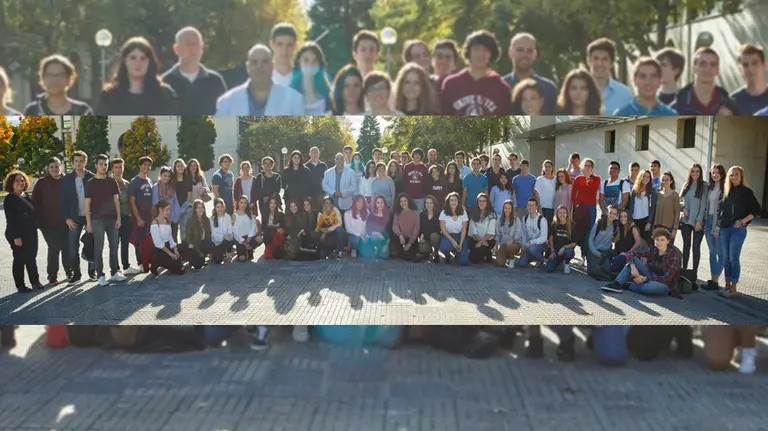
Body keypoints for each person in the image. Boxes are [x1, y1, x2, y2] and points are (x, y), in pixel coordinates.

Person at [95, 37, 178, 114]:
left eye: (143, 58)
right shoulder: (109, 96)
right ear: (124, 60)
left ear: (150, 62)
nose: (138, 63)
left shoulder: (165, 94)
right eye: (133, 58)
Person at [215, 44, 304, 115]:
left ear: (272, 66)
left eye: (264, 62)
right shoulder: (227, 102)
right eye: (254, 62)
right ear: (247, 67)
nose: (259, 67)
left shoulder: (294, 100)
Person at [441, 30, 511, 115]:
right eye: (476, 49)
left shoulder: (502, 89)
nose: (481, 54)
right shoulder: (451, 84)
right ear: (468, 52)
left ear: (492, 54)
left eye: (486, 50)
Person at [161, 27, 227, 115]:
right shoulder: (164, 82)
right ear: (176, 49)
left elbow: (225, 114)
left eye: (196, 44)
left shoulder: (215, 81)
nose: (193, 50)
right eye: (188, 45)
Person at [718, 166, 761, 298]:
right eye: (731, 175)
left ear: (741, 176)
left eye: (736, 174)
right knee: (726, 258)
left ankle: (734, 287)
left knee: (733, 258)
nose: (734, 177)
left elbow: (756, 210)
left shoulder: (747, 192)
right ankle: (727, 284)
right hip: (724, 229)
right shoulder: (726, 191)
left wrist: (742, 222)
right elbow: (721, 211)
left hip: (738, 230)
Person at [601, 228, 682, 298]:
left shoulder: (673, 256)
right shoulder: (653, 249)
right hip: (649, 276)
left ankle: (629, 285)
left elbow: (667, 278)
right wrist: (632, 266)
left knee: (650, 287)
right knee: (632, 260)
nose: (659, 242)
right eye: (657, 240)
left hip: (664, 284)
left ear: (668, 241)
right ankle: (616, 284)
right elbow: (631, 254)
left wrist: (645, 279)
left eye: (662, 240)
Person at [84, 154, 126, 287]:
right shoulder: (90, 183)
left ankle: (114, 273)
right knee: (99, 248)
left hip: (112, 219)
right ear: (96, 166)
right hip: (97, 220)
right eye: (101, 164)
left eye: (106, 164)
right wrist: (89, 223)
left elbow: (116, 201)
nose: (103, 167)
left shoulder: (112, 181)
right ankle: (100, 275)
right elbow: (87, 205)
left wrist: (119, 218)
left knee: (114, 246)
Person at [32, 157, 71, 285]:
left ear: (61, 166)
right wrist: (37, 221)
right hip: (47, 223)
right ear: (48, 168)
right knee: (54, 247)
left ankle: (69, 271)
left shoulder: (68, 180)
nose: (55, 169)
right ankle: (52, 275)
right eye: (52, 167)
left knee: (66, 247)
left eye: (57, 166)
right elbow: (34, 202)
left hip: (66, 222)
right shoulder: (42, 183)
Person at [3, 171, 43, 292]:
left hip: (30, 232)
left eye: (22, 180)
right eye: (17, 180)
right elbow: (10, 219)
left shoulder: (25, 196)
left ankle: (35, 282)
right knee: (19, 259)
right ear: (11, 183)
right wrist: (16, 237)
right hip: (17, 234)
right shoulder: (10, 199)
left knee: (31, 258)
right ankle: (20, 285)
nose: (20, 182)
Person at [60, 150, 96, 283]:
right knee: (72, 247)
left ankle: (92, 272)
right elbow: (62, 201)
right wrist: (66, 218)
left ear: (85, 162)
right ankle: (76, 274)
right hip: (74, 217)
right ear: (72, 163)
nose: (79, 163)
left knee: (92, 244)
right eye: (76, 161)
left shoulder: (92, 177)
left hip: (90, 217)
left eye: (81, 161)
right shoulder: (67, 180)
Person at [503, 33, 559, 114]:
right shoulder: (499, 87)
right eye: (520, 50)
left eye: (529, 51)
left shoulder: (549, 89)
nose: (525, 54)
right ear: (510, 52)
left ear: (535, 54)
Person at [23, 55, 94, 115]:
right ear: (42, 78)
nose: (55, 80)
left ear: (69, 79)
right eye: (50, 75)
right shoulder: (33, 111)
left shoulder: (83, 111)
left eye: (60, 75)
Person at [670, 47, 732, 115]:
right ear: (693, 68)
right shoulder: (678, 106)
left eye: (713, 65)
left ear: (717, 70)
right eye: (703, 64)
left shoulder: (729, 105)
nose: (708, 69)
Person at [110, 158, 141, 276]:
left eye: (121, 167)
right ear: (112, 169)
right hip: (114, 218)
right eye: (116, 167)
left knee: (125, 243)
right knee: (114, 244)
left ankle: (126, 266)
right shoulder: (110, 183)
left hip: (127, 217)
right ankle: (115, 269)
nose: (119, 169)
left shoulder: (127, 183)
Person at [585, 37, 633, 114]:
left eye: (604, 59)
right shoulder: (577, 92)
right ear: (588, 61)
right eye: (596, 58)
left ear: (612, 63)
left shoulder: (625, 94)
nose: (599, 63)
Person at [679, 164, 707, 276]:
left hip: (697, 222)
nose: (695, 173)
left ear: (700, 173)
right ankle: (684, 270)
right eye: (693, 171)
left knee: (696, 247)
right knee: (686, 246)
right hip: (685, 220)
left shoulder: (704, 186)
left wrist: (699, 221)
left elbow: (704, 204)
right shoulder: (686, 185)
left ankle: (694, 273)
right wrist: (683, 208)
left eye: (697, 171)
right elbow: (679, 200)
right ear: (690, 173)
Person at [289, 42, 332, 115]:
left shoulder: (328, 93)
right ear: (299, 61)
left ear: (320, 64)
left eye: (315, 60)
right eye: (306, 60)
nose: (310, 64)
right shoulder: (291, 94)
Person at [702, 164, 726, 291]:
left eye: (717, 172)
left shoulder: (725, 189)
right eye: (713, 173)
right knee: (712, 252)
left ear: (722, 174)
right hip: (708, 221)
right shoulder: (709, 188)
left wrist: (717, 227)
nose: (715, 175)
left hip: (718, 223)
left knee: (720, 253)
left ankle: (715, 279)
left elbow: (723, 211)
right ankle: (713, 280)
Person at [128, 156, 155, 271]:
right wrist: (138, 218)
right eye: (144, 164)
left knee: (149, 239)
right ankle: (141, 263)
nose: (147, 167)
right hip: (139, 214)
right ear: (140, 166)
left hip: (149, 215)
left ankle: (149, 261)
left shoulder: (150, 181)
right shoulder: (134, 182)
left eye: (149, 165)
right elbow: (132, 202)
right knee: (139, 240)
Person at [571, 158, 600, 257]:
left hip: (591, 208)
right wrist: (577, 204)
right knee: (579, 230)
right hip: (581, 208)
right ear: (582, 167)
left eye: (589, 166)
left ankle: (586, 255)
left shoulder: (596, 179)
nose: (587, 167)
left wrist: (588, 178)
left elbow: (592, 190)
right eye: (585, 165)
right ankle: (575, 253)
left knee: (589, 231)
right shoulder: (578, 179)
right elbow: (573, 194)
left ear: (592, 168)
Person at [149, 200, 185, 275]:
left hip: (168, 247)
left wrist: (175, 249)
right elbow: (158, 243)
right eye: (167, 210)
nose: (169, 212)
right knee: (179, 270)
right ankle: (156, 262)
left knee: (181, 266)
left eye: (169, 210)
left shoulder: (167, 221)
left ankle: (170, 263)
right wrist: (170, 254)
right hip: (160, 250)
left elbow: (170, 238)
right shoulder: (154, 223)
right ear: (160, 209)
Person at [730, 44, 768, 115]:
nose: (750, 69)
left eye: (755, 63)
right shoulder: (732, 102)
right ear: (740, 69)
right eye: (745, 65)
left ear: (764, 65)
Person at [152, 167, 183, 247]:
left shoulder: (171, 187)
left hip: (172, 218)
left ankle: (175, 254)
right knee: (163, 242)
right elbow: (156, 203)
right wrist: (163, 219)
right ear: (160, 175)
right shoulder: (155, 187)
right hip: (162, 220)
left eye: (168, 176)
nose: (167, 178)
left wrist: (175, 217)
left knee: (173, 240)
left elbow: (176, 202)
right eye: (165, 176)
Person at [587, 205, 619, 277]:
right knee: (595, 272)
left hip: (605, 254)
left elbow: (613, 241)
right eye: (611, 213)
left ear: (617, 216)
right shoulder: (598, 223)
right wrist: (596, 253)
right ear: (607, 212)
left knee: (607, 271)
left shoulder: (615, 225)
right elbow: (590, 240)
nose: (612, 215)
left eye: (615, 214)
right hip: (595, 252)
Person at [439, 192, 470, 265]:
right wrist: (453, 241)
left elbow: (464, 230)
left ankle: (458, 253)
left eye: (455, 200)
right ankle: (447, 255)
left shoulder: (463, 212)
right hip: (448, 236)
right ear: (448, 202)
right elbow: (443, 229)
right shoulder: (443, 212)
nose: (453, 202)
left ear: (458, 201)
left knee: (464, 262)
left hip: (460, 236)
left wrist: (461, 244)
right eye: (451, 200)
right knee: (445, 247)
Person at [181, 200, 214, 269]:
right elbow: (189, 238)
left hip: (203, 243)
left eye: (202, 207)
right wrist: (199, 252)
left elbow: (208, 235)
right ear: (195, 209)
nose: (200, 209)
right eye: (198, 208)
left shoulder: (206, 219)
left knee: (210, 245)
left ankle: (202, 256)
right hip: (194, 245)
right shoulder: (190, 221)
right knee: (198, 265)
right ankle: (193, 258)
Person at [610, 209, 645, 273]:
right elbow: (614, 241)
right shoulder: (619, 227)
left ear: (629, 217)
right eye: (621, 216)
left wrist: (627, 253)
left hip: (628, 255)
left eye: (625, 216)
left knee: (617, 261)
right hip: (618, 252)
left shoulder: (633, 228)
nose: (623, 218)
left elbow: (638, 243)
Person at [518, 198, 549, 269]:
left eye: (533, 205)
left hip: (541, 244)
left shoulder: (542, 219)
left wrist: (531, 242)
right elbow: (524, 235)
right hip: (529, 245)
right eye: (529, 205)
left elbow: (544, 238)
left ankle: (541, 260)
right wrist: (523, 247)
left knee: (533, 248)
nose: (530, 207)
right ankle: (533, 257)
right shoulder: (525, 218)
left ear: (536, 207)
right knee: (522, 263)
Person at [467, 193, 497, 264]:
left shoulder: (492, 215)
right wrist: (480, 242)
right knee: (473, 259)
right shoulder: (473, 213)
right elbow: (473, 232)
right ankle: (484, 254)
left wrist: (481, 242)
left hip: (488, 241)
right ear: (477, 202)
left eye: (484, 201)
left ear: (487, 202)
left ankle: (487, 253)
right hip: (475, 240)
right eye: (480, 201)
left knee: (479, 253)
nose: (482, 203)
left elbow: (490, 232)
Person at [547, 205, 577, 274]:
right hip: (556, 251)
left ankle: (566, 263)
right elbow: (550, 239)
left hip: (567, 250)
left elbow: (575, 243)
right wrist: (552, 251)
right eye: (560, 213)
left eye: (564, 213)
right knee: (549, 269)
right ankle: (560, 262)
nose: (562, 215)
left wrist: (564, 247)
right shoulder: (554, 224)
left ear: (567, 214)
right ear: (557, 214)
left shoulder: (572, 225)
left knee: (569, 252)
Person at [391, 193, 421, 262]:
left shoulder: (415, 213)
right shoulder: (397, 213)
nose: (403, 203)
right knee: (397, 249)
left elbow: (416, 228)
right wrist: (400, 235)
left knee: (409, 252)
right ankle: (409, 256)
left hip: (411, 239)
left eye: (405, 201)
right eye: (401, 201)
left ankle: (409, 256)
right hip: (400, 238)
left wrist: (410, 243)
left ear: (408, 201)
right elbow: (394, 226)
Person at [232, 196, 263, 262]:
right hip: (240, 239)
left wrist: (249, 237)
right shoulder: (234, 215)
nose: (243, 204)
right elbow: (235, 231)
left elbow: (253, 226)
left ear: (247, 204)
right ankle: (244, 249)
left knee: (260, 239)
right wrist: (243, 242)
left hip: (249, 237)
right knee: (242, 258)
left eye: (245, 203)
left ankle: (250, 248)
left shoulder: (249, 213)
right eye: (241, 203)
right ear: (238, 203)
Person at [630, 169, 657, 244]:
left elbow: (652, 209)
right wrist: (631, 221)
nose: (646, 178)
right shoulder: (634, 190)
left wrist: (649, 222)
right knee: (634, 242)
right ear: (640, 177)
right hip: (634, 220)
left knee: (644, 243)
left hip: (645, 220)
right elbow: (631, 206)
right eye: (644, 176)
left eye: (648, 177)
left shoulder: (652, 191)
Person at [652, 172, 681, 241]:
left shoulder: (675, 195)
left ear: (671, 181)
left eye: (667, 180)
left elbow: (677, 213)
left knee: (668, 247)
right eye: (663, 180)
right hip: (657, 226)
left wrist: (675, 229)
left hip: (669, 228)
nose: (664, 181)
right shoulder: (657, 194)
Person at [170, 158, 193, 242]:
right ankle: (175, 248)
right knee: (174, 230)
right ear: (175, 168)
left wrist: (183, 208)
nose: (180, 168)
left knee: (184, 229)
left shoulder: (188, 179)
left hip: (185, 207)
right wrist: (175, 208)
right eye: (178, 166)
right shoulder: (172, 179)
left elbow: (189, 195)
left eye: (182, 166)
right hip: (173, 208)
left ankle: (184, 246)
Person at [494, 200, 522, 268]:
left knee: (510, 246)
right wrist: (496, 246)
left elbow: (518, 234)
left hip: (514, 244)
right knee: (500, 263)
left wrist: (512, 240)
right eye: (505, 208)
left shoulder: (516, 219)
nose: (507, 210)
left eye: (509, 208)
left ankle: (511, 259)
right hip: (503, 244)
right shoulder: (499, 220)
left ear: (512, 209)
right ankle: (505, 256)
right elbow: (497, 234)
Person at [209, 198, 235, 264]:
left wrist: (230, 235)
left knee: (230, 239)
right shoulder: (212, 219)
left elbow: (230, 230)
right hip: (216, 243)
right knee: (218, 260)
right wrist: (224, 236)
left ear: (224, 207)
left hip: (225, 242)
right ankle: (218, 254)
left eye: (221, 207)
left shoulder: (228, 217)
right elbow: (213, 235)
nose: (220, 209)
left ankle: (228, 253)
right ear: (215, 208)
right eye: (217, 207)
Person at [418, 195, 442, 263]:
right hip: (425, 238)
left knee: (433, 236)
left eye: (431, 203)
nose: (429, 205)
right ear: (425, 204)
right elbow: (419, 228)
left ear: (434, 204)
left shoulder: (439, 215)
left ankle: (436, 252)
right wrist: (420, 236)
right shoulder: (422, 215)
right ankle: (428, 252)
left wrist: (424, 235)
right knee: (422, 248)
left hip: (435, 237)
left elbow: (437, 229)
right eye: (427, 203)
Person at [534, 160, 557, 225]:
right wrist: (539, 207)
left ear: (552, 168)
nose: (547, 168)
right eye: (546, 166)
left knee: (550, 227)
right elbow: (536, 193)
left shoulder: (556, 180)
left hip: (553, 208)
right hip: (542, 208)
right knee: (542, 226)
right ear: (543, 168)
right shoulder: (540, 179)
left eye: (549, 166)